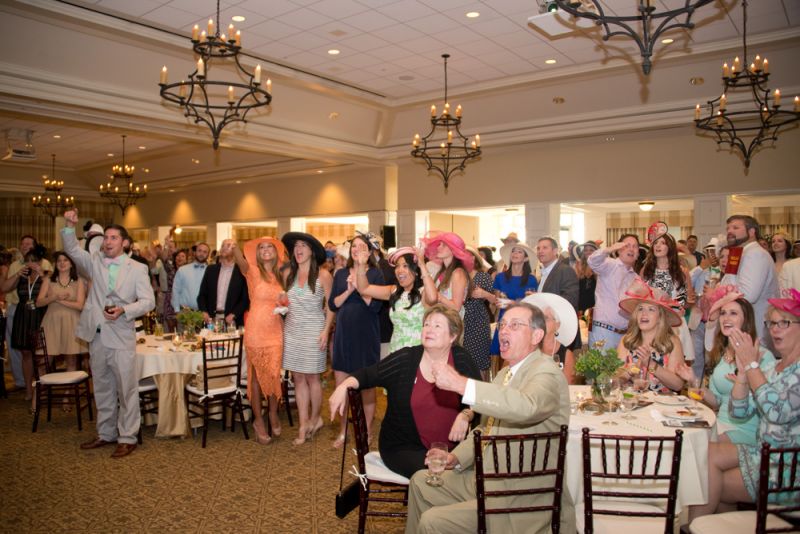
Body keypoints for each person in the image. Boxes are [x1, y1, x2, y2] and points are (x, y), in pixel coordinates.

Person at [404, 302, 575, 533]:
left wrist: (461, 384)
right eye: (503, 324)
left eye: (515, 325)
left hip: (520, 495)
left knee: (433, 521)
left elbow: (527, 406)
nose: (503, 330)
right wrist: (454, 457)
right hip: (488, 479)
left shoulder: (546, 373)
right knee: (420, 482)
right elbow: (486, 428)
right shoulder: (506, 373)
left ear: (536, 335)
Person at [328, 305, 482, 478]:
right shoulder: (406, 359)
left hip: (450, 450)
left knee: (465, 473)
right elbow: (367, 375)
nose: (429, 329)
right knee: (439, 476)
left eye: (437, 326)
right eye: (427, 324)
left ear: (452, 336)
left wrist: (465, 415)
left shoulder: (461, 360)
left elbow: (481, 398)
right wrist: (343, 386)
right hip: (403, 448)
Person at [689, 290, 800, 520]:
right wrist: (742, 376)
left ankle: (692, 526)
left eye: (784, 323)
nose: (775, 329)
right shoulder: (773, 368)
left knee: (706, 481)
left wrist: (750, 365)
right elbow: (739, 411)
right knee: (706, 455)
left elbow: (776, 412)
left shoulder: (781, 366)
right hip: (763, 454)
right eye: (772, 323)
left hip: (787, 468)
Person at [61, 209, 155, 459]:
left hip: (122, 335)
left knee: (126, 389)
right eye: (106, 238)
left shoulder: (137, 269)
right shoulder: (93, 262)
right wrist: (69, 226)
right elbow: (72, 250)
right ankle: (106, 433)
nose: (108, 241)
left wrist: (125, 309)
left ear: (124, 243)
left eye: (113, 238)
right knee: (102, 387)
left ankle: (127, 437)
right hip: (97, 335)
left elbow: (149, 301)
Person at [678, 293, 775, 445]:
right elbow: (716, 401)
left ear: (746, 320)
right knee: (682, 437)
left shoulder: (763, 356)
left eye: (733, 313)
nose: (725, 318)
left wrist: (744, 383)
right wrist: (693, 379)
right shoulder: (721, 354)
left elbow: (767, 404)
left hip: (746, 431)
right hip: (719, 424)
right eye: (723, 313)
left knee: (697, 445)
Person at [329, 233, 385, 447]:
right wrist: (350, 289)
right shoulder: (341, 272)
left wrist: (361, 288)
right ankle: (343, 432)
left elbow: (375, 306)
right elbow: (334, 304)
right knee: (342, 385)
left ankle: (367, 431)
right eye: (354, 246)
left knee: (367, 388)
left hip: (366, 335)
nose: (357, 249)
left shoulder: (376, 274)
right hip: (344, 334)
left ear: (370, 252)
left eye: (362, 246)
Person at [232, 236, 288, 445]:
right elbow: (240, 261)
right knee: (255, 378)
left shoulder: (282, 274)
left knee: (273, 374)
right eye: (261, 247)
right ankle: (258, 421)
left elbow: (289, 298)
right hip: (255, 330)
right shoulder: (252, 271)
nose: (265, 250)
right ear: (257, 252)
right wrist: (234, 247)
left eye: (269, 247)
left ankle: (272, 413)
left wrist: (285, 302)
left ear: (276, 252)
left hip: (275, 330)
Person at [281, 232, 334, 446]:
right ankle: (303, 424)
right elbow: (286, 302)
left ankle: (315, 418)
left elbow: (331, 306)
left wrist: (326, 331)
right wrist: (282, 300)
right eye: (296, 246)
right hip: (292, 331)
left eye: (303, 245)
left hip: (314, 331)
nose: (298, 249)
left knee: (313, 378)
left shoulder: (323, 275)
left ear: (312, 250)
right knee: (298, 378)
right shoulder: (288, 274)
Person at [617, 278, 686, 393]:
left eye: (651, 309)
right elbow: (616, 380)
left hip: (662, 407)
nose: (644, 314)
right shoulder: (627, 340)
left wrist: (651, 364)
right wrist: (628, 372)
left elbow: (678, 385)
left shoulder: (672, 342)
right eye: (640, 309)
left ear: (660, 318)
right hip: (631, 403)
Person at [3, 235, 53, 392]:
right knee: (25, 353)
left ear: (39, 261)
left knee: (42, 352)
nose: (31, 263)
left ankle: (43, 386)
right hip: (23, 315)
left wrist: (43, 275)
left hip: (41, 315)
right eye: (28, 261)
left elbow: (54, 291)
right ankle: (28, 389)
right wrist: (18, 274)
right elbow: (4, 288)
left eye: (34, 260)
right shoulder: (21, 275)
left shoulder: (46, 274)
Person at [353, 246, 426, 354]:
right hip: (395, 351)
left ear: (415, 271)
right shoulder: (394, 291)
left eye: (405, 266)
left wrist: (422, 264)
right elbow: (363, 289)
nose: (399, 270)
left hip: (418, 353)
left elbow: (433, 298)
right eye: (397, 266)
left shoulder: (424, 292)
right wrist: (361, 265)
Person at [35, 252, 88, 389]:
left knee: (71, 360)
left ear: (71, 263)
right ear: (55, 263)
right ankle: (38, 396)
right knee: (44, 360)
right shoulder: (48, 280)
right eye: (59, 260)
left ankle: (67, 396)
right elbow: (39, 302)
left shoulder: (79, 281)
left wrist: (60, 300)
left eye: (65, 260)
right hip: (51, 323)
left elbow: (80, 305)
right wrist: (54, 297)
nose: (62, 263)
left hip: (72, 322)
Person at [721, 215, 778, 339]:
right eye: (728, 228)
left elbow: (748, 295)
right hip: (746, 328)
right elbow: (728, 283)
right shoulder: (740, 253)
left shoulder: (755, 254)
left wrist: (720, 295)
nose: (730, 231)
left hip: (755, 329)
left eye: (735, 227)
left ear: (752, 232)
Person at [587, 234, 640, 349]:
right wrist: (609, 249)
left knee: (623, 367)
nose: (631, 249)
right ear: (619, 250)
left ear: (638, 254)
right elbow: (592, 261)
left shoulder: (636, 278)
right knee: (601, 367)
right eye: (627, 245)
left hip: (626, 335)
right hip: (603, 331)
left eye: (635, 246)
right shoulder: (610, 264)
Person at [490, 241, 538, 357]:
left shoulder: (531, 279)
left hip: (522, 322)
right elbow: (497, 302)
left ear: (526, 258)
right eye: (513, 251)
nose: (515, 254)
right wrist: (500, 301)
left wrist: (512, 303)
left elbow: (533, 305)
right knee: (501, 355)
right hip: (504, 320)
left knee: (519, 354)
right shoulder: (500, 278)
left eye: (519, 252)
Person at [523, 292, 579, 383]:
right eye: (540, 318)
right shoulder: (527, 349)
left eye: (546, 318)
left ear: (557, 325)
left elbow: (568, 387)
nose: (542, 322)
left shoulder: (566, 355)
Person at [536, 236, 580, 351]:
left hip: (561, 331)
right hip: (548, 330)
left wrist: (542, 300)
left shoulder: (565, 270)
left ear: (555, 251)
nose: (540, 251)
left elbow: (571, 299)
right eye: (538, 248)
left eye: (545, 248)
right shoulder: (545, 273)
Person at [197, 239, 249, 328]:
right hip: (211, 320)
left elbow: (245, 299)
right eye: (222, 246)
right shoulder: (211, 269)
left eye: (228, 246)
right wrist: (204, 311)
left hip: (232, 321)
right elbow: (202, 295)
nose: (224, 248)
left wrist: (234, 314)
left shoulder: (242, 271)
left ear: (236, 251)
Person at [419, 231, 473, 316]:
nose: (438, 247)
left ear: (453, 250)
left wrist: (438, 297)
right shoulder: (442, 272)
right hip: (440, 319)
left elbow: (456, 307)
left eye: (443, 245)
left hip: (451, 324)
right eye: (439, 244)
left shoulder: (458, 273)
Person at [462, 248, 495, 376]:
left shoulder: (483, 276)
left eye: (466, 255)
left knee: (479, 362)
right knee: (463, 361)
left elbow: (496, 300)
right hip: (460, 322)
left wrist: (484, 294)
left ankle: (482, 393)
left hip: (478, 322)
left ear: (474, 258)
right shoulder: (458, 274)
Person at [170, 242, 210, 313]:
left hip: (204, 313)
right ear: (195, 252)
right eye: (199, 251)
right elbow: (175, 291)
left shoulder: (211, 271)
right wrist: (177, 310)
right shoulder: (183, 270)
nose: (201, 254)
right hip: (184, 312)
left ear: (208, 255)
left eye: (205, 252)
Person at [162, 244, 187, 332]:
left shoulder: (188, 271)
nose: (180, 258)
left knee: (182, 327)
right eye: (178, 256)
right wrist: (166, 245)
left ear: (186, 259)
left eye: (183, 256)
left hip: (183, 300)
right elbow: (164, 259)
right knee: (171, 326)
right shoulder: (170, 268)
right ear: (175, 258)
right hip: (170, 299)